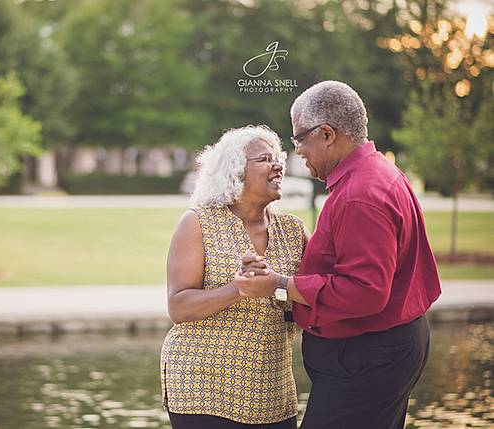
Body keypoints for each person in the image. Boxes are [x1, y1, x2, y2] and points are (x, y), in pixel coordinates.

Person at [272, 80, 441, 429]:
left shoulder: (359, 194)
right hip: (384, 347)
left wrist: (282, 285)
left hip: (367, 355)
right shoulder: (377, 172)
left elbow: (365, 291)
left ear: (327, 134)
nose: (298, 150)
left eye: (299, 138)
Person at [160, 125, 308, 429]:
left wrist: (278, 288)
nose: (278, 164)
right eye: (265, 159)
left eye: (278, 157)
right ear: (235, 172)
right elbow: (178, 307)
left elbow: (311, 298)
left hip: (272, 393)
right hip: (202, 390)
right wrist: (237, 289)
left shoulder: (294, 230)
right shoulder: (198, 222)